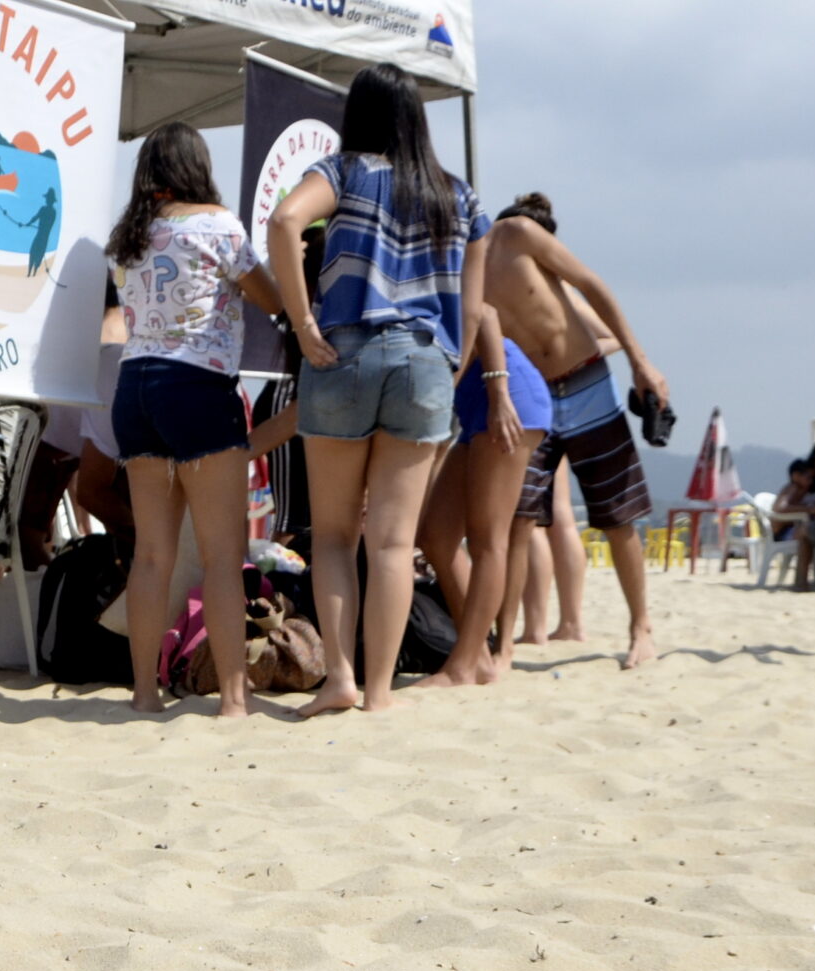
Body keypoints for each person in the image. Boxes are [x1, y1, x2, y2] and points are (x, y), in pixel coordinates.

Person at [269, 64, 494, 715]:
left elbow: (286, 222)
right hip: (425, 359)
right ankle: (377, 694)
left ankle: (338, 677)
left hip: (344, 351)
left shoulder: (341, 172)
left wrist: (303, 321)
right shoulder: (459, 196)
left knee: (335, 537)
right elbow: (474, 312)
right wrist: (451, 365)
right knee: (393, 543)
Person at [105, 121, 286, 717]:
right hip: (197, 384)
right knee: (220, 555)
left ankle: (143, 694)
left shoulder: (127, 237)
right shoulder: (218, 225)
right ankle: (234, 698)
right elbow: (271, 299)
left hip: (135, 387)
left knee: (151, 554)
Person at [475, 191, 668, 668]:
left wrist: (642, 362)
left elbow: (592, 284)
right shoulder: (463, 268)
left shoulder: (517, 234)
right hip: (531, 400)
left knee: (617, 516)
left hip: (586, 385)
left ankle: (640, 628)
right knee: (519, 521)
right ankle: (503, 646)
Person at [415, 304, 537, 685]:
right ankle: (477, 656)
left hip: (506, 392)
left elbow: (485, 313)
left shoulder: (432, 257)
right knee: (436, 536)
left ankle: (466, 664)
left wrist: (499, 393)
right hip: (469, 405)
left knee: (488, 539)